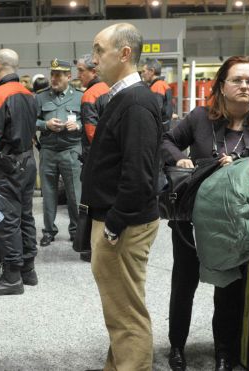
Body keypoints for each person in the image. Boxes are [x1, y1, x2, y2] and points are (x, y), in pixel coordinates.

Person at [162, 56, 249, 371]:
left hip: (237, 221)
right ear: (222, 86)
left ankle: (225, 351)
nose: (243, 86)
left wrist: (241, 165)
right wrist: (179, 159)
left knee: (230, 288)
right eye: (237, 80)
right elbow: (167, 140)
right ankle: (177, 347)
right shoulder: (200, 117)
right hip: (191, 219)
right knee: (184, 283)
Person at [81, 23, 162, 371]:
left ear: (124, 53)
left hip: (124, 223)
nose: (93, 58)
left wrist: (114, 224)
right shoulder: (124, 97)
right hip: (118, 219)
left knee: (127, 314)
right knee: (120, 309)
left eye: (100, 50)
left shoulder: (136, 102)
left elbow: (139, 174)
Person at [0, 48, 38, 296]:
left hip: (6, 167)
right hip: (27, 160)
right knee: (26, 215)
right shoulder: (29, 93)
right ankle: (28, 270)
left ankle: (12, 276)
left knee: (7, 219)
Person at [35, 58, 84, 246]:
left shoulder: (80, 97)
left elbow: (89, 121)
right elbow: (31, 121)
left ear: (68, 77)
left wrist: (78, 124)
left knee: (75, 194)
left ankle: (76, 230)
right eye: (52, 74)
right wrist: (44, 124)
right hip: (48, 151)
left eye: (58, 75)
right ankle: (48, 231)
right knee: (48, 194)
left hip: (71, 150)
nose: (53, 79)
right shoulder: (40, 97)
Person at [76, 53, 109, 262]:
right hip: (112, 159)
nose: (77, 75)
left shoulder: (90, 95)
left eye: (81, 71)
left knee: (91, 204)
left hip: (95, 161)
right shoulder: (111, 89)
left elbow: (92, 133)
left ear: (93, 71)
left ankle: (90, 248)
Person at [141, 59, 174, 124]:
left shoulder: (157, 86)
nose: (142, 74)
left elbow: (156, 108)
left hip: (158, 126)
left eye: (143, 71)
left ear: (152, 71)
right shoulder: (163, 84)